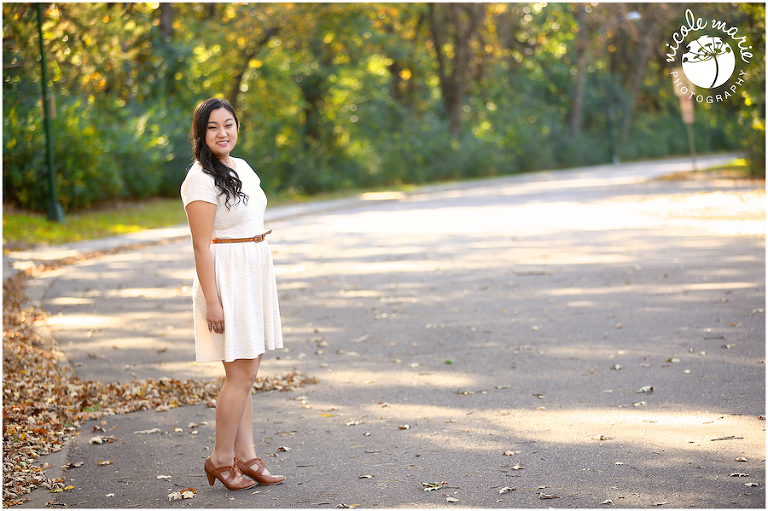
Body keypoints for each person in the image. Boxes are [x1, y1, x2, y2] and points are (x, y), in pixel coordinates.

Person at [180, 97, 285, 491]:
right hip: (228, 277)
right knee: (242, 375)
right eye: (213, 127)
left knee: (244, 375)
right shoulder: (199, 179)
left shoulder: (241, 167)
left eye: (228, 124)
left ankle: (247, 456)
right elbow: (200, 246)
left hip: (253, 272)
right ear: (200, 133)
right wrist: (213, 301)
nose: (222, 133)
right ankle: (221, 459)